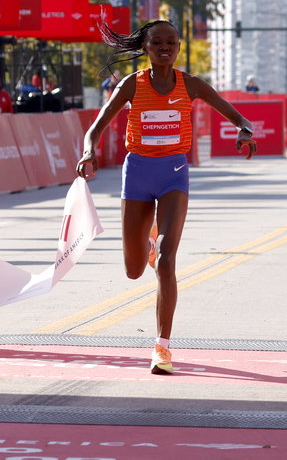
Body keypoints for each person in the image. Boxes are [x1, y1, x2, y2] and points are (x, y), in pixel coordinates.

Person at [76, 20, 257, 374]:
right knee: (132, 270)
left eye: (171, 42)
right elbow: (95, 128)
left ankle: (162, 348)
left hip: (174, 173)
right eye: (157, 41)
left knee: (169, 259)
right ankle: (148, 241)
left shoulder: (190, 84)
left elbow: (239, 118)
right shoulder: (132, 84)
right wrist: (88, 152)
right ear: (145, 47)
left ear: (178, 47)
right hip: (138, 175)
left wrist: (243, 133)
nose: (165, 47)